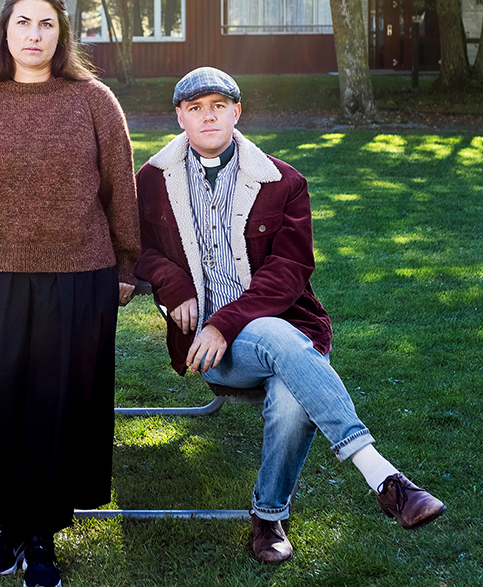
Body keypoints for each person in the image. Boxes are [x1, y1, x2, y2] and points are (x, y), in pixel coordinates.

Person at [135, 67, 446, 563]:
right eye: (195, 108)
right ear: (180, 118)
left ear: (237, 112)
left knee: (291, 397)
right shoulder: (152, 181)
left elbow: (290, 271)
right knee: (278, 346)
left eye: (218, 106)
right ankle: (383, 477)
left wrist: (225, 322)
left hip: (282, 330)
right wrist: (172, 284)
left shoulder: (282, 182)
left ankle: (269, 515)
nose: (208, 116)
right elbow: (136, 248)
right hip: (212, 349)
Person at [0, 0, 140, 587]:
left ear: (61, 33)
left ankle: (41, 532)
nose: (34, 34)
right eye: (23, 22)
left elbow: (119, 189)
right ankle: (7, 523)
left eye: (46, 23)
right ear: (5, 30)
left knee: (56, 407)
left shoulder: (94, 100)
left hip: (76, 276)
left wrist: (127, 265)